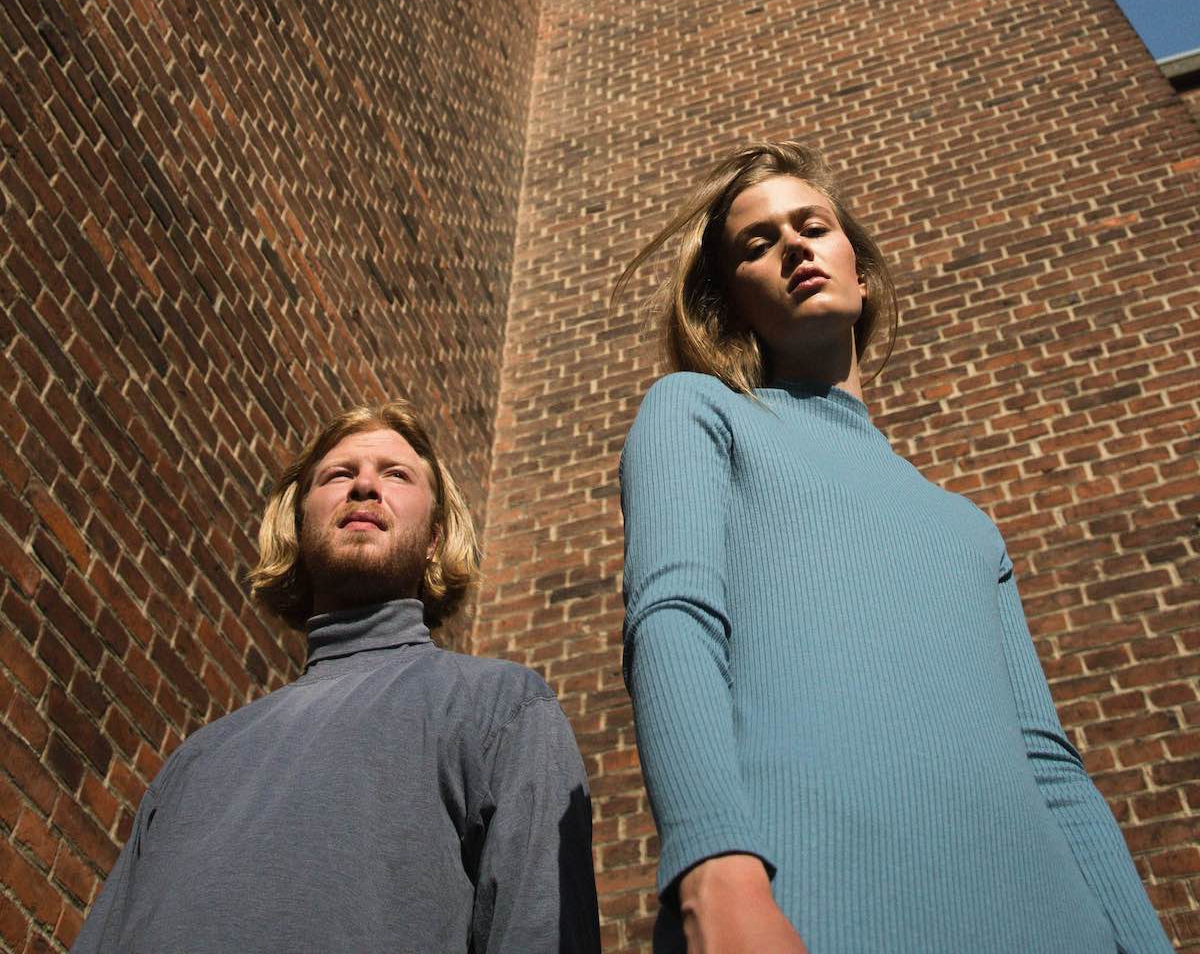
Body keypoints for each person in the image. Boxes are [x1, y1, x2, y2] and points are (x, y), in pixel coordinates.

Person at [618, 142, 1173, 954]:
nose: (794, 245)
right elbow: (672, 620)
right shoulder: (698, 413)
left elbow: (1048, 761)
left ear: (864, 274)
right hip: (804, 907)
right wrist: (713, 872)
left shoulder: (967, 526)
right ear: (730, 303)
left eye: (813, 226)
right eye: (758, 243)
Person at [74, 399, 601, 954]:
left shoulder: (500, 708)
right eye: (339, 474)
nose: (365, 486)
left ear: (434, 538)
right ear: (299, 525)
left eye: (396, 475)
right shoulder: (194, 761)